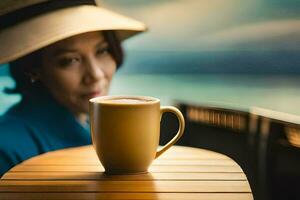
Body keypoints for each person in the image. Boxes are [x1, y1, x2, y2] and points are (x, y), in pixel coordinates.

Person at [0, 0, 146, 177]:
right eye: (69, 60)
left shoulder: (89, 127)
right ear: (32, 69)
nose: (96, 74)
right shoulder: (7, 150)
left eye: (103, 50)